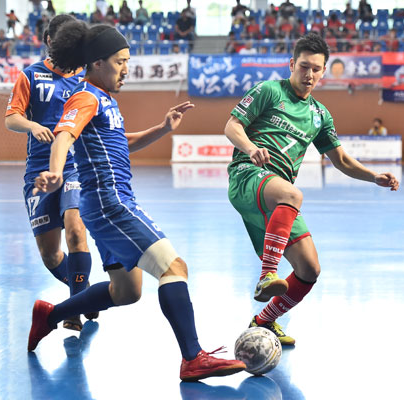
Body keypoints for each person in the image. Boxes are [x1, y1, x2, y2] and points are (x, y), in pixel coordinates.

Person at [28, 21, 247, 381]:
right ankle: (193, 357)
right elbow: (64, 135)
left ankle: (50, 315)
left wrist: (162, 128)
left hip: (103, 205)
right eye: (120, 61)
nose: (126, 69)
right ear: (97, 63)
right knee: (174, 268)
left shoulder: (104, 101)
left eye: (127, 61)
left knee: (126, 292)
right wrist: (54, 172)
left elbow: (121, 141)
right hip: (111, 202)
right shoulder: (85, 97)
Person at [223, 32, 399, 345]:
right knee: (293, 194)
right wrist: (251, 148)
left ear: (323, 71)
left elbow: (341, 160)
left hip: (279, 198)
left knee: (309, 269)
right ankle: (267, 275)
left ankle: (264, 320)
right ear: (292, 64)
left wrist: (374, 177)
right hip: (247, 175)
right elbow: (232, 126)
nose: (309, 74)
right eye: (304, 66)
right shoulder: (269, 91)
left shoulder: (320, 115)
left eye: (316, 69)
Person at [5, 14, 96, 332]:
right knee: (50, 254)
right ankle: (84, 292)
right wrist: (32, 125)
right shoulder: (30, 75)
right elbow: (11, 118)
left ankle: (74, 308)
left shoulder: (85, 78)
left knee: (75, 230)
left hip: (74, 166)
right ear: (50, 42)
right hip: (38, 170)